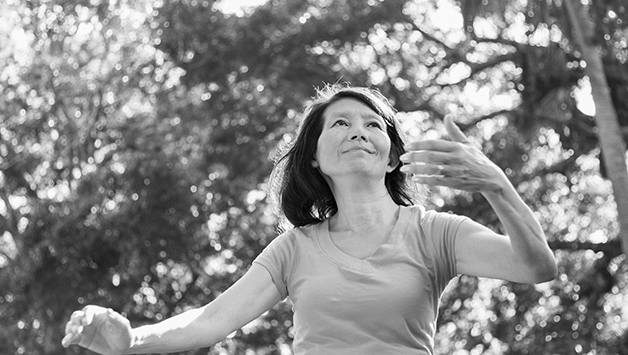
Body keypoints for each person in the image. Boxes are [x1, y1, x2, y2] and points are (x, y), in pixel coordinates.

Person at [62, 85, 557, 354]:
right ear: (315, 158)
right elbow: (210, 321)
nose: (358, 130)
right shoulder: (295, 248)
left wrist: (495, 183)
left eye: (373, 124)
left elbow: (537, 267)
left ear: (391, 157)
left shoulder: (437, 233)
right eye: (340, 122)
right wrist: (132, 341)